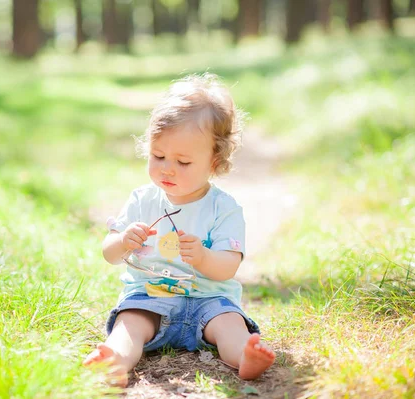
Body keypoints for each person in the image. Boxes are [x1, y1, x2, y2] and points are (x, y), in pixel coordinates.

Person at [84, 73, 275, 387]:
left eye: (183, 162)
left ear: (215, 162)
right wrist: (122, 241)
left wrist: (202, 257)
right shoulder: (143, 199)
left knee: (229, 324)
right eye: (158, 156)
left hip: (209, 300)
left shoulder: (223, 208)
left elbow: (228, 266)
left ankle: (245, 356)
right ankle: (115, 359)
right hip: (150, 298)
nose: (167, 168)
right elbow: (109, 253)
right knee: (129, 324)